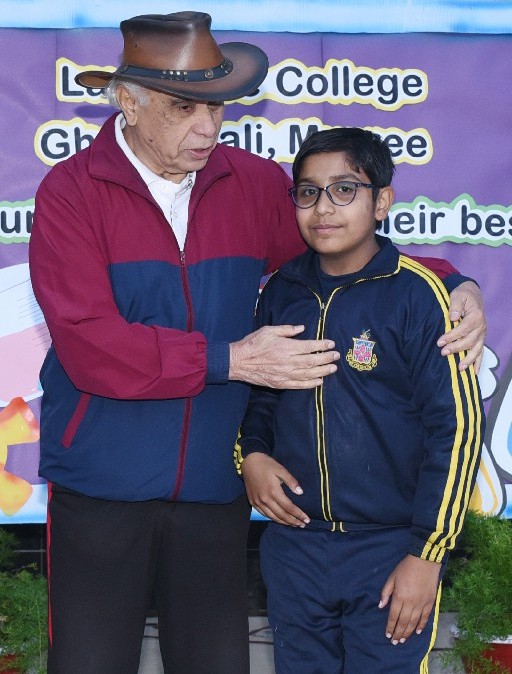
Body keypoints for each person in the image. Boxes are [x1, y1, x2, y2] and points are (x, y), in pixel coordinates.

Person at [29, 11, 485, 674]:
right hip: (100, 488)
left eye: (217, 108)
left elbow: (342, 247)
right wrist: (231, 360)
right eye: (184, 108)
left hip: (216, 490)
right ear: (128, 102)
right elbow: (88, 344)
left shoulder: (250, 182)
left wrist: (454, 282)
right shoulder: (70, 193)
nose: (207, 128)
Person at [237, 127, 485, 674]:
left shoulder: (420, 296)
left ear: (382, 201)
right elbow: (260, 399)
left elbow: (458, 429)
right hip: (295, 548)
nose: (323, 208)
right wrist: (251, 454)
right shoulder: (280, 292)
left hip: (392, 551)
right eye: (308, 192)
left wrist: (427, 555)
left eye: (344, 189)